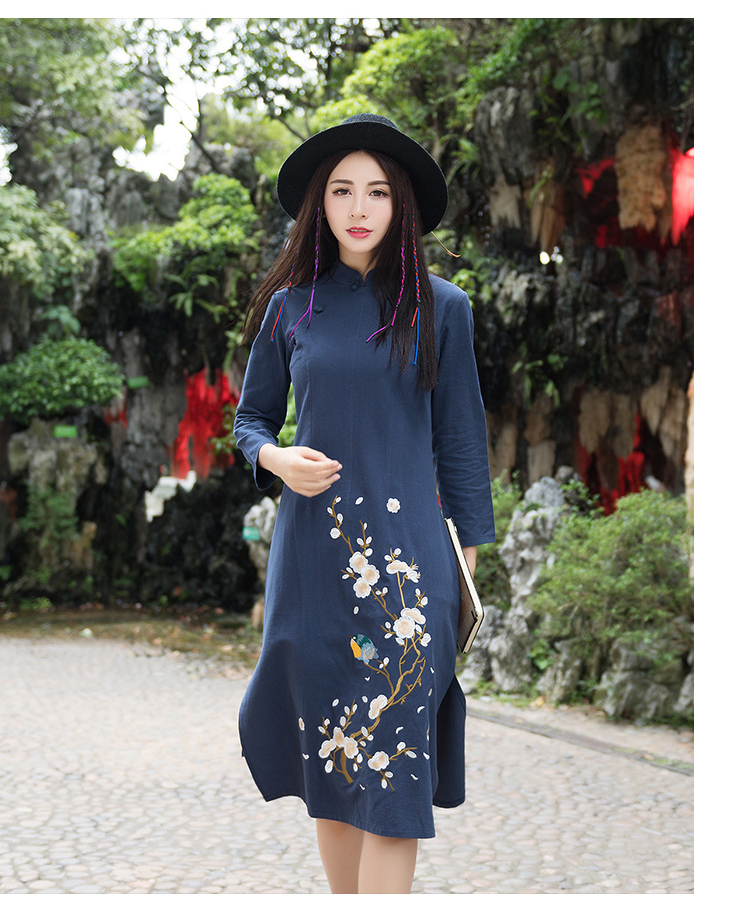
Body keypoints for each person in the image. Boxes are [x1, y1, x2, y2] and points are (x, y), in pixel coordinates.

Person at [232, 112, 495, 894]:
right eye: (342, 190)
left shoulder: (443, 307)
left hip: (411, 578)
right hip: (311, 569)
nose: (358, 207)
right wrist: (277, 459)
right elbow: (249, 421)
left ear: (400, 203)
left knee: (396, 776)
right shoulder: (291, 308)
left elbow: (462, 444)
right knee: (335, 759)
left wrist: (463, 572)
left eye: (377, 191)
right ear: (320, 202)